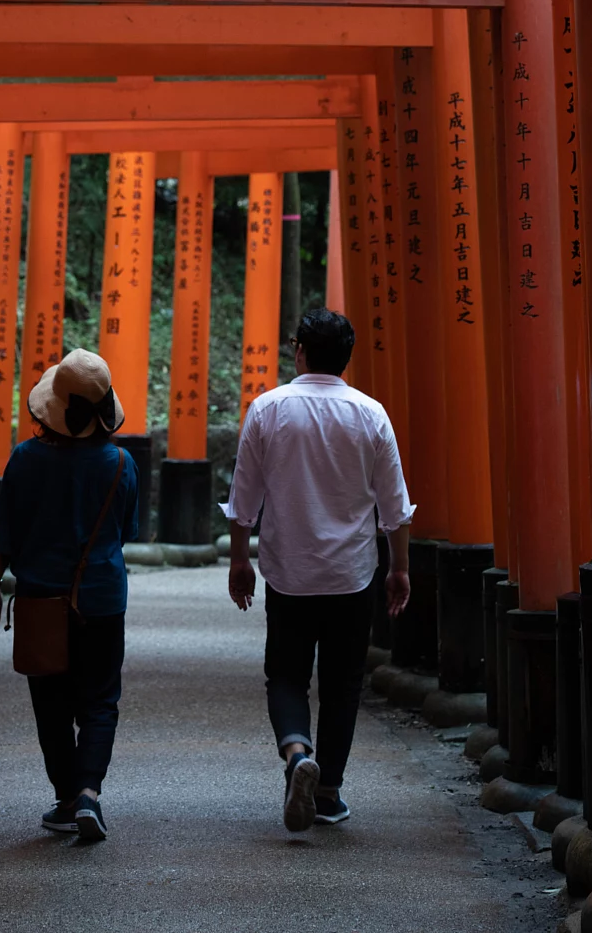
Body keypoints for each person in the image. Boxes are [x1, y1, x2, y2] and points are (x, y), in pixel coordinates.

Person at [221, 308, 414, 833]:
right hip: (353, 572)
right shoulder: (371, 415)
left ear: (298, 349)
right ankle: (326, 792)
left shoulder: (268, 409)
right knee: (343, 682)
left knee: (285, 673)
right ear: (347, 357)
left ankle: (296, 754)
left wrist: (241, 560)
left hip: (290, 571)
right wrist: (399, 569)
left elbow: (243, 500)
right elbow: (395, 508)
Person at [0, 348, 140, 842]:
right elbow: (125, 531)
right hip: (102, 598)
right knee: (99, 699)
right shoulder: (121, 463)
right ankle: (90, 792)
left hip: (40, 599)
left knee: (50, 701)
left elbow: (3, 533)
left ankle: (68, 796)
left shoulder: (27, 459)